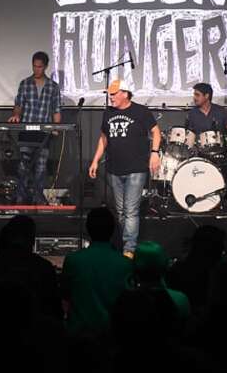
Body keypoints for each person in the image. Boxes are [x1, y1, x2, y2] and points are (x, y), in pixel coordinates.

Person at [89, 79, 161, 257]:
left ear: (125, 93)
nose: (111, 97)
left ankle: (129, 249)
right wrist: (95, 160)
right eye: (110, 94)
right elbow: (103, 138)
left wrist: (154, 152)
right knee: (121, 211)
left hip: (136, 168)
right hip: (114, 169)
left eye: (114, 94)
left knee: (130, 210)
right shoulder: (108, 113)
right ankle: (125, 245)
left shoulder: (140, 111)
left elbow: (156, 132)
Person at [62, 207, 133, 336]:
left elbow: (65, 297)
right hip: (113, 338)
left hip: (79, 336)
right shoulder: (125, 264)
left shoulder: (73, 260)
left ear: (88, 229)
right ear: (112, 231)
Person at [8, 51, 62, 205]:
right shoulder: (25, 84)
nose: (36, 69)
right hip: (26, 131)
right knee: (23, 166)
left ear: (45, 67)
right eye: (34, 66)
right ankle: (21, 196)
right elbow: (18, 105)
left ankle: (38, 197)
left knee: (41, 167)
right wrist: (16, 115)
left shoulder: (53, 86)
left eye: (39, 67)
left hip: (43, 133)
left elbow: (56, 109)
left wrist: (56, 127)